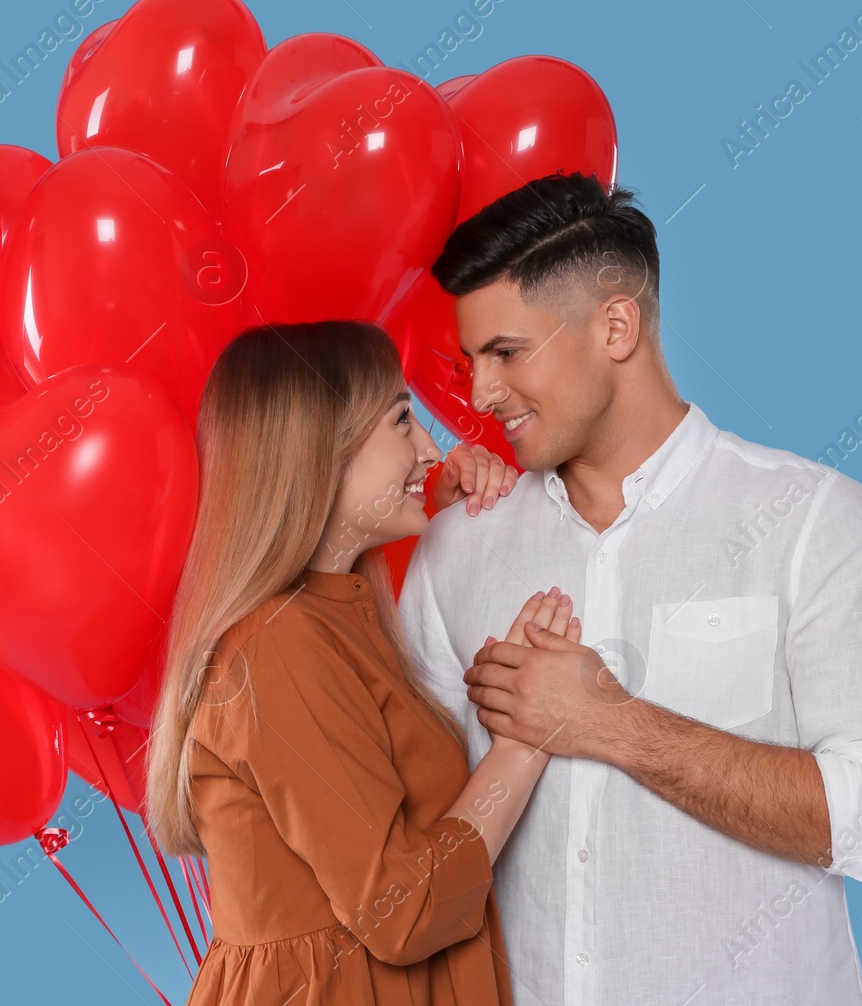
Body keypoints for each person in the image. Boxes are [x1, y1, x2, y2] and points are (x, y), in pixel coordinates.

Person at [398, 172, 862, 1005]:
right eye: (469, 361)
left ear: (616, 325)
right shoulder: (457, 551)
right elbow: (407, 840)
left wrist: (612, 723)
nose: (478, 394)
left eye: (506, 353)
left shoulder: (811, 521)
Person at [146, 319, 571, 1006]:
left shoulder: (336, 613)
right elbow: (401, 911)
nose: (430, 447)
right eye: (402, 421)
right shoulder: (279, 648)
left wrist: (444, 504)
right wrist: (524, 740)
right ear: (320, 450)